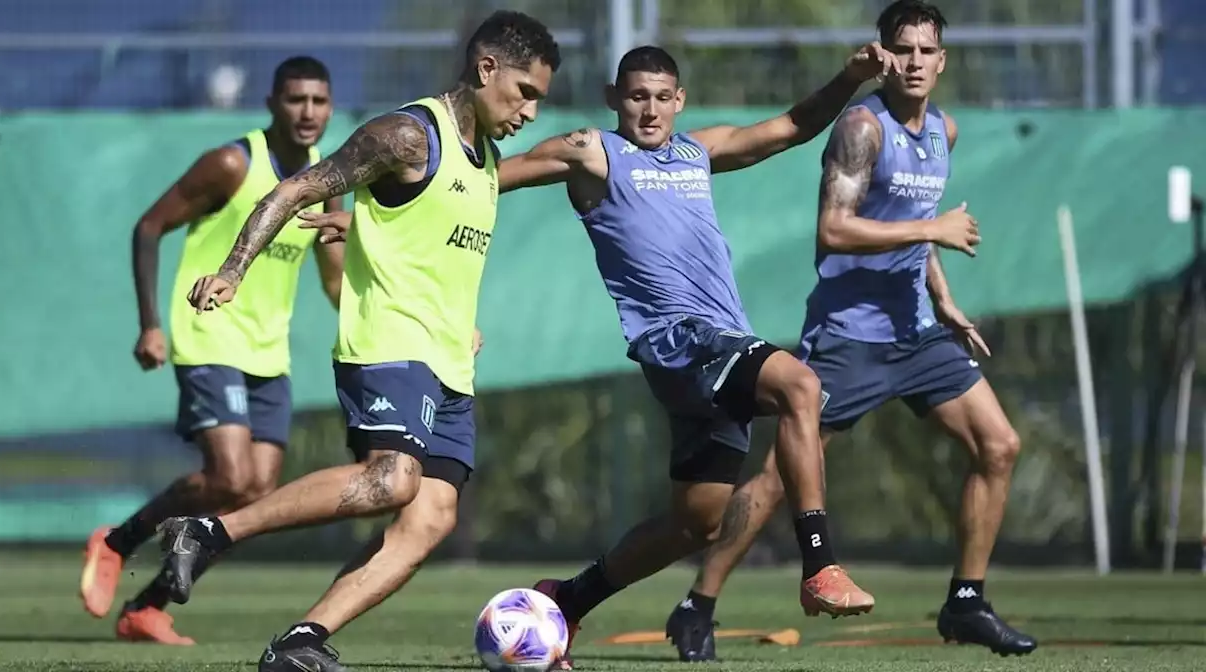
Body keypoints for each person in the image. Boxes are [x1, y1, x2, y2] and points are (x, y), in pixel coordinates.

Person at [153, 11, 561, 672]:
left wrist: (462, 321)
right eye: (525, 91)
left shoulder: (486, 159)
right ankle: (210, 530)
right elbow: (293, 190)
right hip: (388, 342)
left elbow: (429, 245)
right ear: (486, 69)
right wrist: (232, 270)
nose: (531, 110)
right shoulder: (407, 136)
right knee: (394, 479)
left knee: (431, 515)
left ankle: (302, 640)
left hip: (450, 359)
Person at [476, 42, 898, 669]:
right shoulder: (592, 152)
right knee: (800, 387)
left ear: (680, 101)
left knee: (697, 524)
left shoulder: (697, 152)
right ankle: (819, 564)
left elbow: (792, 127)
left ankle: (566, 599)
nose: (649, 110)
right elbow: (485, 182)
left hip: (714, 349)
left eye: (661, 97)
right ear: (615, 99)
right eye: (636, 96)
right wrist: (387, 222)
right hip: (679, 341)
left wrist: (852, 77)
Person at [663, 0, 1038, 661]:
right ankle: (698, 605)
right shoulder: (862, 128)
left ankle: (966, 601)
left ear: (942, 61)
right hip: (849, 336)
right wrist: (933, 230)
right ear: (884, 55)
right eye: (903, 48)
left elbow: (912, 219)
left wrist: (942, 296)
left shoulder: (942, 131)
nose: (915, 61)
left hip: (917, 332)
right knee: (780, 477)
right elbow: (834, 230)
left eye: (927, 50)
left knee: (999, 445)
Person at [78, 56, 345, 645]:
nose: (308, 113)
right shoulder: (234, 163)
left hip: (268, 353)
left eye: (319, 101)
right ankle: (118, 542)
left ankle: (145, 609)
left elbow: (333, 280)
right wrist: (151, 324)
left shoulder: (323, 179)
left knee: (251, 494)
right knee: (229, 473)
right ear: (273, 103)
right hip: (208, 333)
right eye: (296, 99)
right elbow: (149, 227)